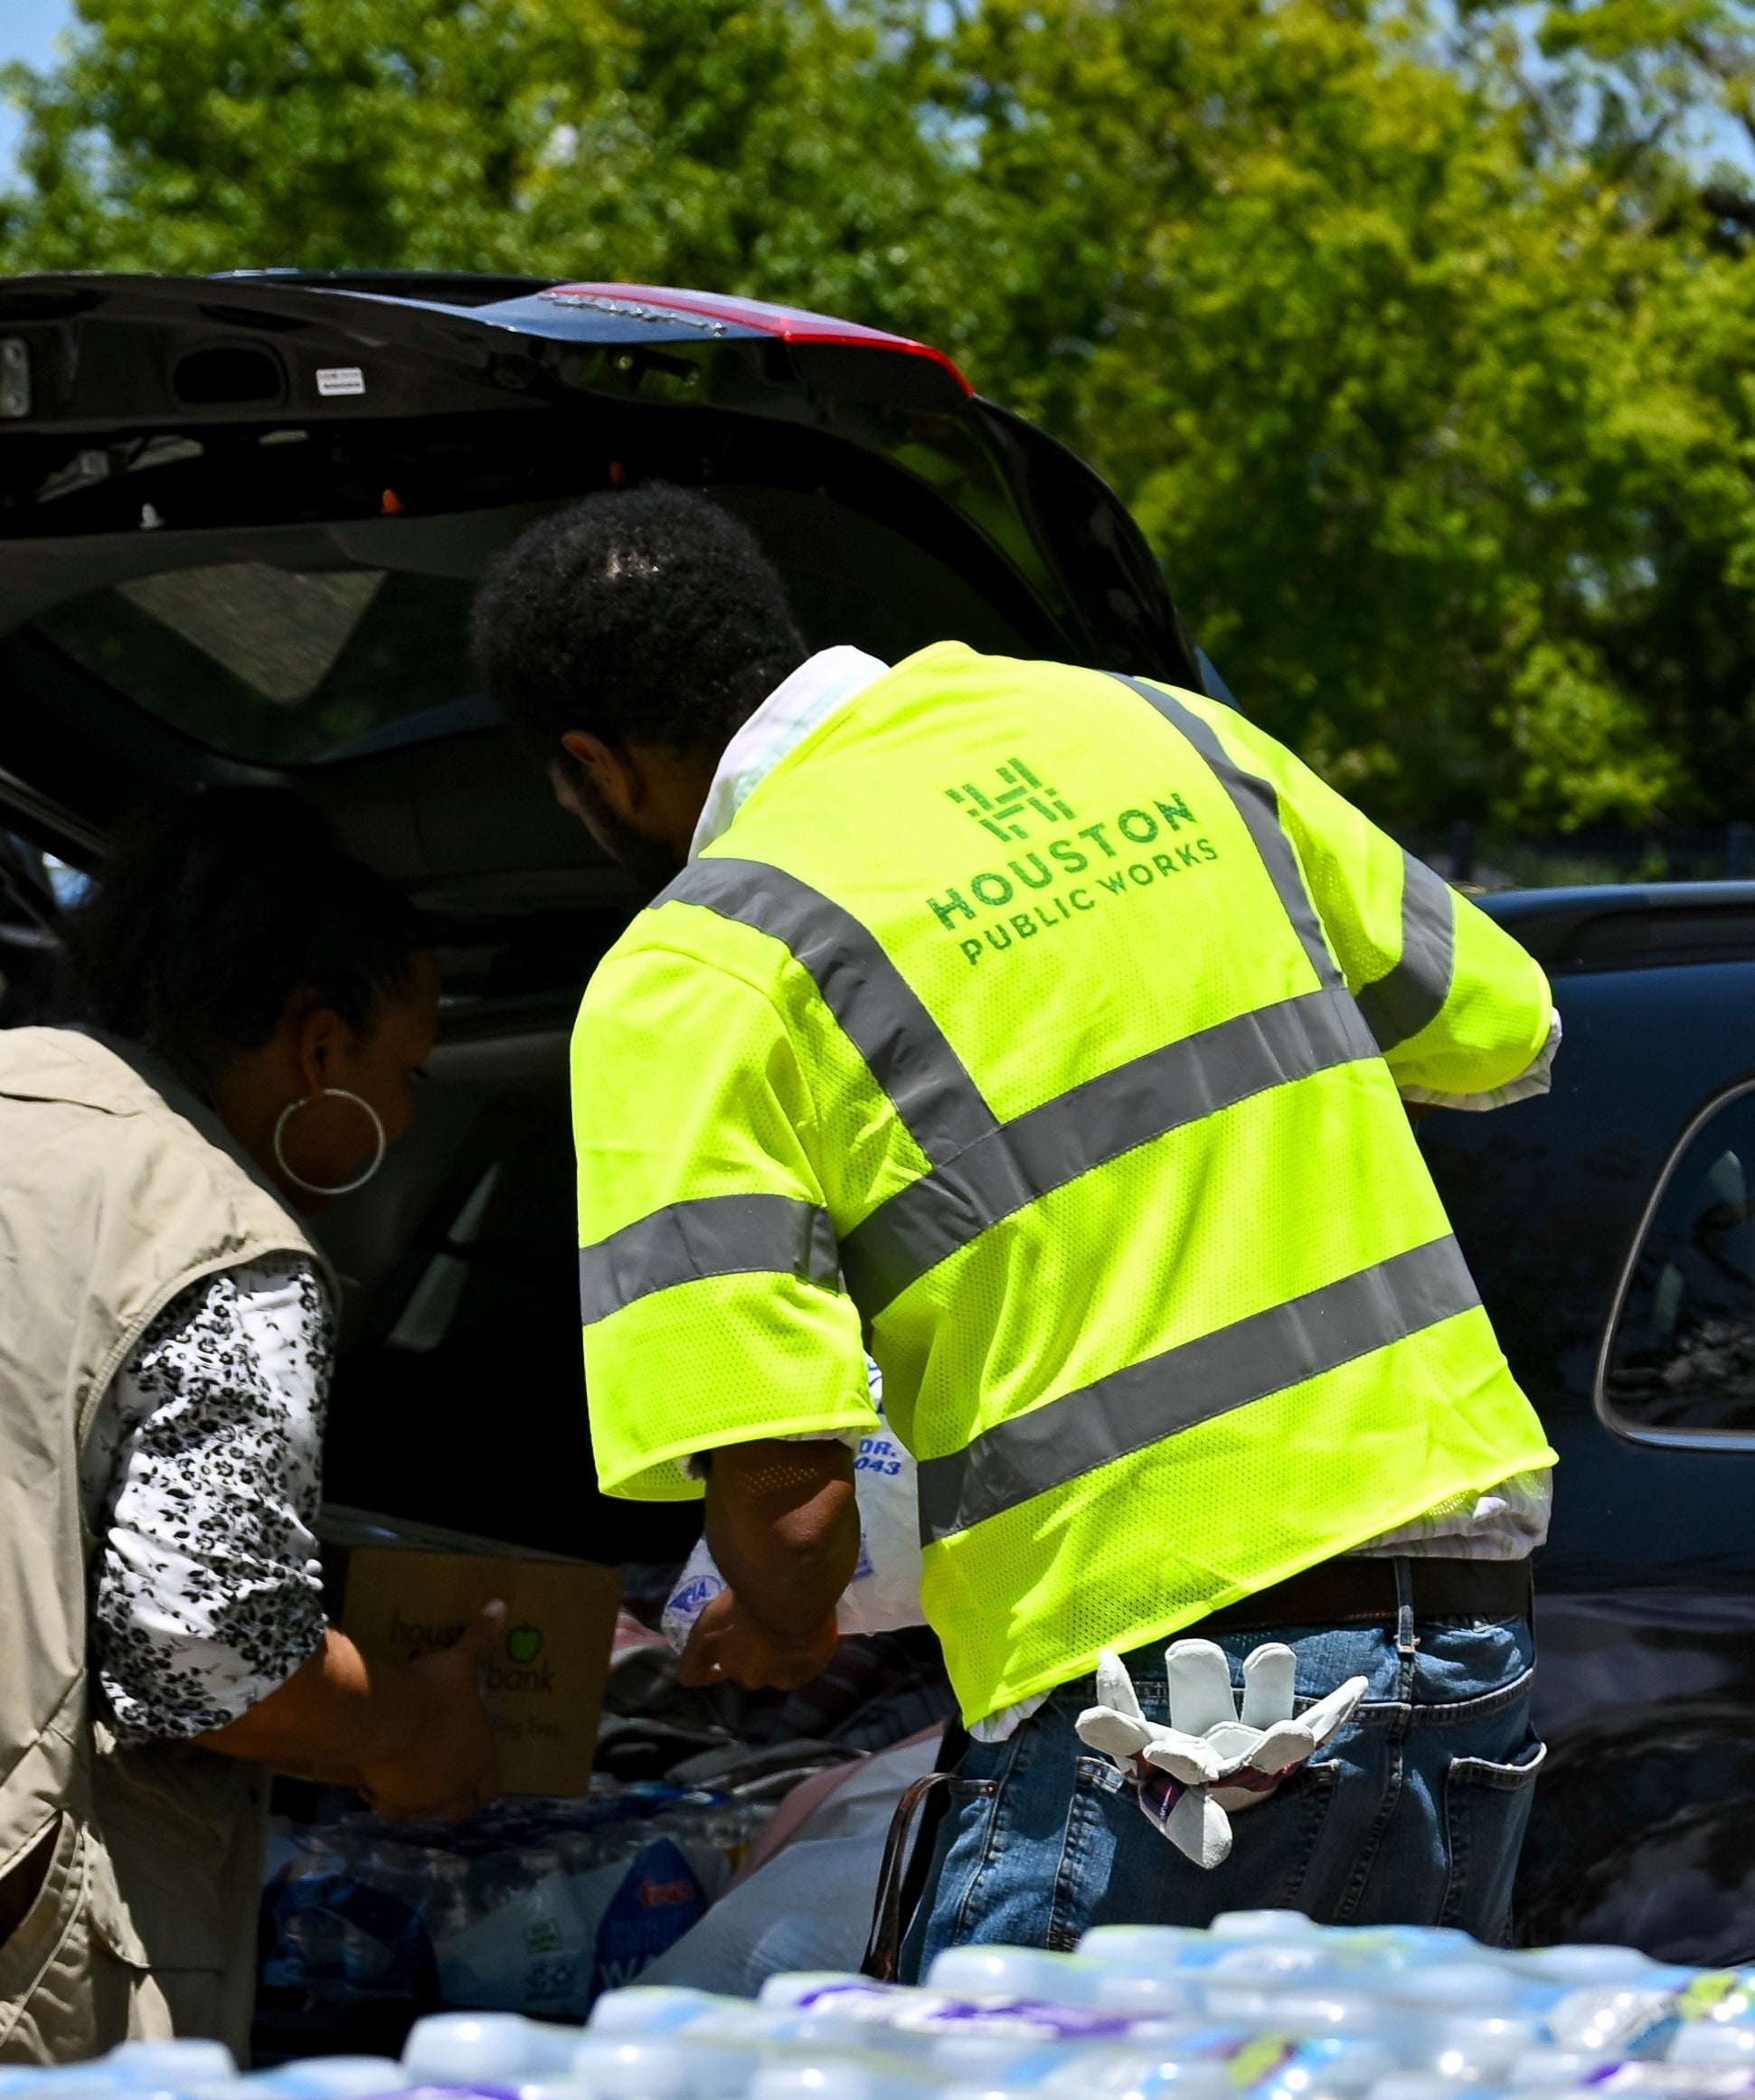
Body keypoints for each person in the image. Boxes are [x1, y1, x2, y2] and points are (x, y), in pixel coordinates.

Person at [470, 486, 1567, 1960]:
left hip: (1161, 1704)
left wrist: (770, 1619)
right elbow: (1506, 1032)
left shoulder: (700, 971)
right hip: (1462, 1613)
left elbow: (791, 1539)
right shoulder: (1169, 735)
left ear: (592, 765)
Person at [0, 793, 508, 2058]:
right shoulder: (218, 1235)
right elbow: (208, 1644)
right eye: (407, 1072)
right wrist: (410, 1725)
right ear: (319, 1047)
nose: (401, 1114)